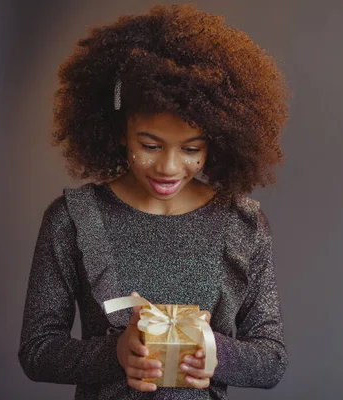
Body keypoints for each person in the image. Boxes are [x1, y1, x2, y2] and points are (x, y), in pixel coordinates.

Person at [18, 4, 290, 400]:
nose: (169, 167)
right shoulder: (72, 219)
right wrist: (114, 353)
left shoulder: (242, 224)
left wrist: (217, 352)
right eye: (150, 145)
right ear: (119, 130)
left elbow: (273, 360)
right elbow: (37, 351)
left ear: (217, 140)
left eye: (191, 149)